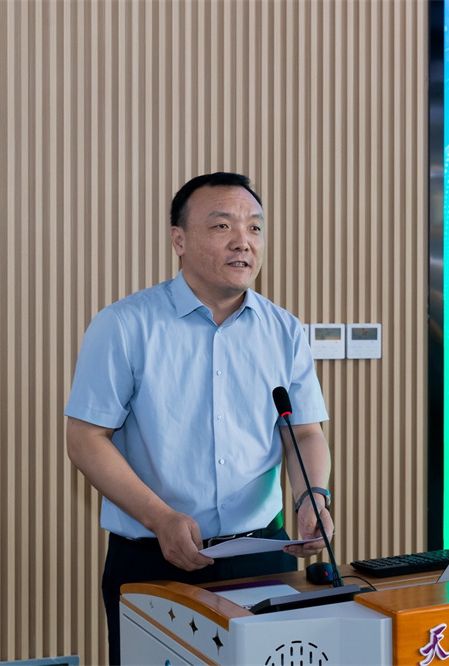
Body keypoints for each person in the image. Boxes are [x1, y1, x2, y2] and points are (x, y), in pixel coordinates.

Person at [64, 172, 333, 664]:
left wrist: (310, 497)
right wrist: (161, 518)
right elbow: (85, 439)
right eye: (222, 225)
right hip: (153, 556)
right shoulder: (124, 325)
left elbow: (304, 432)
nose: (243, 241)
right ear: (179, 240)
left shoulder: (285, 330)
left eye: (255, 227)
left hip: (261, 555)